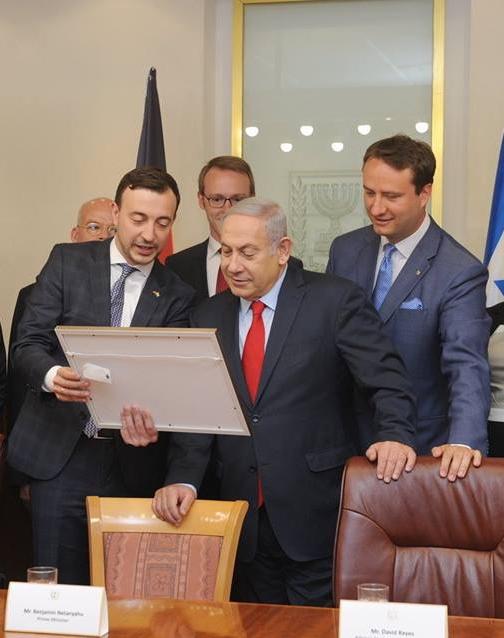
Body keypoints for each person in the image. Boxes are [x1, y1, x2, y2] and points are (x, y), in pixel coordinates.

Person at [122, 198, 417, 606]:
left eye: (247, 252)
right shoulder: (208, 315)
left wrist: (395, 435)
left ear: (282, 250)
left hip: (315, 512)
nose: (233, 265)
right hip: (241, 515)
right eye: (226, 252)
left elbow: (387, 381)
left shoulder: (334, 301)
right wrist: (184, 478)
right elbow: (201, 410)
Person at [8, 167, 195, 585]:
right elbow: (27, 342)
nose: (149, 234)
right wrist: (53, 375)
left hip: (132, 461)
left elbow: (169, 381)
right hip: (61, 453)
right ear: (116, 212)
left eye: (162, 223)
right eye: (138, 219)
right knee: (59, 593)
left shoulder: (178, 295)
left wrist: (154, 415)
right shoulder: (67, 261)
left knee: (126, 589)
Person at [327, 134, 490, 481]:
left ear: (424, 193)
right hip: (343, 446)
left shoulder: (459, 270)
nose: (376, 208)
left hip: (419, 452)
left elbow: (466, 364)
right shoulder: (345, 249)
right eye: (369, 193)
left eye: (391, 196)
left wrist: (463, 442)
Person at [7, 197, 117, 431]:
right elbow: (20, 366)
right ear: (75, 235)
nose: (103, 236)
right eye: (94, 227)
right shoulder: (32, 294)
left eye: (113, 230)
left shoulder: (128, 294)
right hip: (49, 427)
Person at [165, 156, 256, 302]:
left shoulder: (276, 264)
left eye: (238, 199)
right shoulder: (177, 267)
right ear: (201, 200)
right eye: (217, 199)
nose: (228, 209)